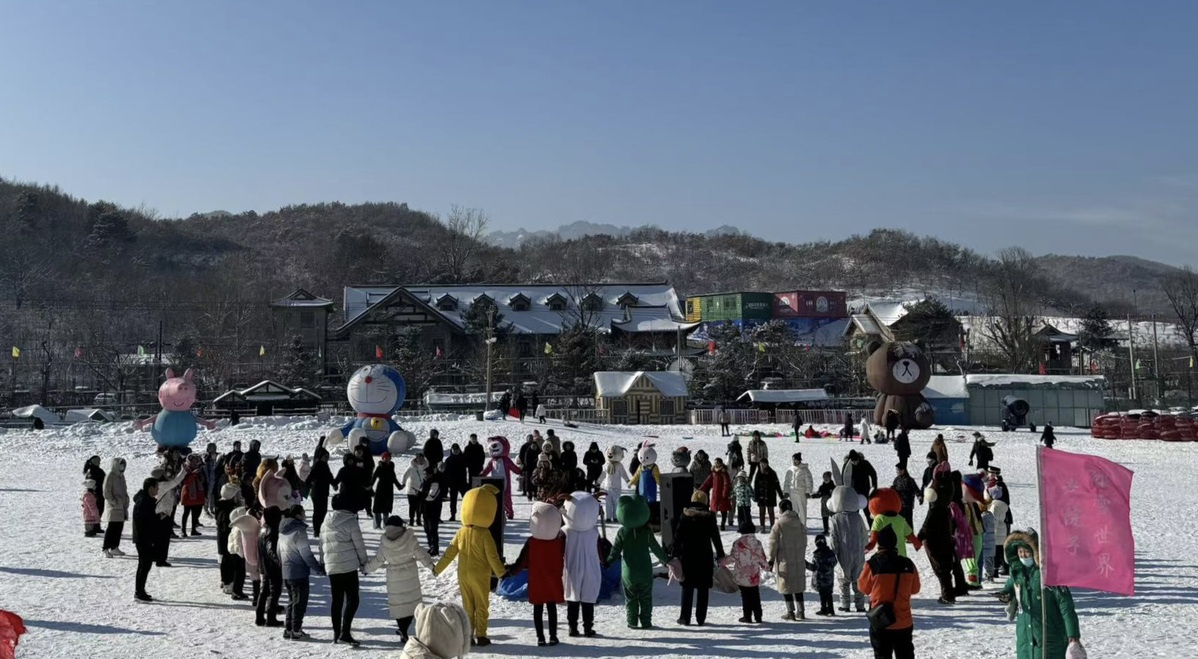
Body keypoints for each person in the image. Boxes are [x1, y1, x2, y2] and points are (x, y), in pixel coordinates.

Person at [434, 485, 507, 647]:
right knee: (481, 605)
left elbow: (449, 553)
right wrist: (501, 573)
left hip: (463, 574)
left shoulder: (461, 532)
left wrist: (437, 569)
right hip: (480, 575)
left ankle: (468, 636)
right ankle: (481, 635)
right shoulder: (484, 534)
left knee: (468, 606)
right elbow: (492, 556)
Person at [999, 531, 1081, 659]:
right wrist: (1005, 595)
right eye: (1020, 552)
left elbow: (1066, 607)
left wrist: (1073, 635)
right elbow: (1009, 587)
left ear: (1035, 551)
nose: (1023, 556)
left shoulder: (1049, 573)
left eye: (1026, 552)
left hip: (1049, 636)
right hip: (1025, 636)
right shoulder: (1017, 572)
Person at [365, 515, 435, 643]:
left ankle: (402, 628)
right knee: (411, 604)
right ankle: (405, 628)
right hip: (410, 575)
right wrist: (431, 566)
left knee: (399, 605)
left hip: (394, 576)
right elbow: (421, 554)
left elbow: (378, 560)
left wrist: (366, 569)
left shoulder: (384, 541)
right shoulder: (409, 538)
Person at [506, 502, 566, 646]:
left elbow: (522, 562)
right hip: (553, 578)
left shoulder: (531, 542)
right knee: (552, 607)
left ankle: (540, 637)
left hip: (537, 579)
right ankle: (553, 636)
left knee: (537, 608)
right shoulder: (558, 542)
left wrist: (509, 572)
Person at [858, 527, 920, 659]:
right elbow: (915, 589)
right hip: (903, 621)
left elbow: (863, 588)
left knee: (882, 655)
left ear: (879, 544)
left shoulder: (873, 565)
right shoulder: (908, 564)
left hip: (881, 621)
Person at [321, 494, 369, 646]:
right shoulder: (350, 521)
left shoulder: (325, 522)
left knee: (337, 600)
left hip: (332, 565)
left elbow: (321, 544)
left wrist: (324, 562)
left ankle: (336, 633)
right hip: (348, 566)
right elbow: (359, 544)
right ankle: (345, 632)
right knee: (353, 599)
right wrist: (364, 563)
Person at [671, 491, 724, 626]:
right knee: (703, 589)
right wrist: (720, 555)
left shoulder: (685, 516)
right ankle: (701, 618)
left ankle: (684, 617)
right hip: (704, 557)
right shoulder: (709, 517)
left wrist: (675, 555)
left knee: (687, 587)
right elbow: (716, 539)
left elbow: (677, 538)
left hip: (688, 556)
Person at [279, 505, 324, 640]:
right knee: (299, 602)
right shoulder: (299, 531)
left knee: (291, 601)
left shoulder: (282, 530)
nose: (305, 515)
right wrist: (319, 569)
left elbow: (278, 551)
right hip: (298, 571)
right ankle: (296, 630)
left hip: (286, 571)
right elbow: (306, 555)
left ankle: (289, 629)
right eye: (303, 513)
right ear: (298, 515)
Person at [918, 479, 957, 605]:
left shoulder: (934, 511)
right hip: (945, 542)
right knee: (945, 570)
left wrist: (917, 539)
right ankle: (948, 594)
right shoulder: (946, 509)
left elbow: (926, 527)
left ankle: (947, 595)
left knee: (941, 571)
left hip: (935, 543)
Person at [768, 498, 808, 620]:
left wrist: (771, 559)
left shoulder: (779, 524)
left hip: (784, 559)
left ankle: (790, 612)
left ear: (781, 509)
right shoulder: (799, 523)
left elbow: (773, 543)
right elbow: (804, 541)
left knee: (787, 585)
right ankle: (801, 612)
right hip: (798, 558)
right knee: (798, 585)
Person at [726, 521, 769, 624]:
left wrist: (722, 562)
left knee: (745, 596)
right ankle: (758, 616)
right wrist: (766, 567)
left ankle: (747, 616)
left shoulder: (737, 543)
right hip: (754, 574)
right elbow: (762, 558)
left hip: (742, 574)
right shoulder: (757, 543)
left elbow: (733, 558)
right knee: (755, 594)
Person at [132, 478, 161, 602]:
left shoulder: (147, 501)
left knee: (145, 565)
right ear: (150, 488)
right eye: (156, 487)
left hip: (145, 538)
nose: (158, 490)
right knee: (144, 565)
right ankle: (139, 591)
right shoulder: (144, 502)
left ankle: (140, 590)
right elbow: (143, 523)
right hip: (143, 539)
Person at [256, 506, 285, 628]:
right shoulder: (272, 530)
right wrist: (279, 562)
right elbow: (271, 550)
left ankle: (259, 617)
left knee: (264, 591)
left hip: (264, 565)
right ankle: (271, 618)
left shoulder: (263, 529)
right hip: (272, 567)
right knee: (274, 592)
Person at [214, 482, 243, 597]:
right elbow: (226, 525)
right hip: (226, 537)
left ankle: (225, 580)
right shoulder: (226, 508)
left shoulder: (223, 505)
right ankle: (228, 582)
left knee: (225, 559)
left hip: (224, 537)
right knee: (228, 560)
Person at [229, 506, 261, 604]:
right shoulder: (242, 527)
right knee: (240, 574)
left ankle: (238, 591)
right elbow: (237, 541)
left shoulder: (244, 525)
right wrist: (242, 554)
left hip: (238, 552)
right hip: (239, 553)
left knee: (246, 574)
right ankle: (236, 592)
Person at [101, 458, 129, 557]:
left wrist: (126, 500)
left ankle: (114, 547)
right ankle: (105, 548)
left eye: (123, 465)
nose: (122, 467)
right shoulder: (110, 476)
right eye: (120, 465)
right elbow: (106, 492)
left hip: (122, 506)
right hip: (113, 507)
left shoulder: (121, 476)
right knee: (111, 528)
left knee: (119, 528)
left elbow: (124, 490)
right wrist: (114, 502)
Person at [843, 451, 878, 525]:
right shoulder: (847, 466)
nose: (855, 463)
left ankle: (873, 530)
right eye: (853, 461)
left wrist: (874, 486)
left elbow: (873, 474)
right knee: (853, 514)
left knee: (868, 512)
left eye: (856, 461)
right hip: (853, 493)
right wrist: (845, 491)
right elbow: (843, 478)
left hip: (865, 491)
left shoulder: (865, 464)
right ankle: (854, 530)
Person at [808, 534, 839, 616]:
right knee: (829, 594)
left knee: (822, 595)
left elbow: (814, 567)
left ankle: (824, 609)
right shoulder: (830, 553)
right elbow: (835, 562)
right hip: (829, 579)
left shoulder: (817, 555)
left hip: (820, 580)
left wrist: (805, 564)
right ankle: (831, 609)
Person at [699, 457, 732, 531]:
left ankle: (723, 524)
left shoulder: (724, 473)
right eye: (715, 462)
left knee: (723, 510)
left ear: (721, 463)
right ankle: (714, 524)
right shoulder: (713, 473)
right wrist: (701, 489)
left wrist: (725, 493)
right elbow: (707, 482)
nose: (716, 464)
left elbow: (726, 484)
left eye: (717, 462)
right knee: (714, 510)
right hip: (715, 495)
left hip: (722, 495)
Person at [371, 452, 403, 530]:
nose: (386, 459)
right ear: (382, 458)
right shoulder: (380, 467)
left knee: (386, 508)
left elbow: (393, 478)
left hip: (389, 489)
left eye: (388, 457)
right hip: (380, 489)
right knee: (377, 508)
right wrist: (370, 486)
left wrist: (399, 486)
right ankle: (377, 525)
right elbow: (374, 477)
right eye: (384, 457)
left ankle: (386, 525)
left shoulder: (391, 467)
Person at [307, 451, 333, 536]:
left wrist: (334, 484)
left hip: (324, 492)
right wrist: (308, 485)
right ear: (321, 456)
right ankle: (316, 530)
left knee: (323, 511)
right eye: (325, 456)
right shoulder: (317, 465)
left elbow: (329, 476)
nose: (326, 458)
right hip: (317, 492)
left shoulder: (325, 465)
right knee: (317, 511)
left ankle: (321, 528)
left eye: (327, 456)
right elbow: (310, 477)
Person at [421, 463, 445, 556]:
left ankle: (435, 548)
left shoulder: (435, 483)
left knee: (433, 529)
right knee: (427, 529)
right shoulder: (424, 482)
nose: (425, 476)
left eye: (427, 474)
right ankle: (430, 546)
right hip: (425, 509)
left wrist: (420, 495)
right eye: (424, 474)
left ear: (431, 474)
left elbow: (431, 496)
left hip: (434, 509)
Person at [753, 459, 784, 530]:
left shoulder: (772, 473)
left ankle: (772, 526)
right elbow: (756, 486)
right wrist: (756, 496)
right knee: (762, 512)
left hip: (770, 495)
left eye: (764, 464)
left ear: (767, 464)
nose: (762, 466)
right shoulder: (758, 473)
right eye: (761, 464)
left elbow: (777, 485)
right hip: (761, 495)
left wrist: (781, 496)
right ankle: (762, 526)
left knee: (771, 511)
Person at [783, 452, 813, 523]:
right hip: (792, 492)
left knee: (802, 510)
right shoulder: (790, 470)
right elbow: (787, 482)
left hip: (801, 493)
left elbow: (809, 481)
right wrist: (786, 491)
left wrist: (808, 492)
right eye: (793, 460)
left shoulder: (804, 470)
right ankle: (795, 525)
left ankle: (803, 526)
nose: (794, 461)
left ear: (799, 460)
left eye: (796, 460)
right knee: (793, 510)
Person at [180, 457, 206, 537]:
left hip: (197, 493)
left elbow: (202, 480)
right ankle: (183, 530)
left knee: (195, 513)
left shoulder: (198, 469)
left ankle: (193, 529)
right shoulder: (185, 469)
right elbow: (185, 481)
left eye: (196, 461)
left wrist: (200, 475)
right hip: (188, 493)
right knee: (186, 512)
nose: (195, 463)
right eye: (193, 461)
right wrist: (194, 474)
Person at [443, 444, 469, 521]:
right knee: (453, 500)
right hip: (453, 483)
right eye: (454, 450)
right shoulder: (448, 460)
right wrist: (447, 484)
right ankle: (453, 514)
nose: (455, 451)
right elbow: (446, 473)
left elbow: (468, 465)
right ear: (452, 450)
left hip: (462, 482)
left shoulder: (463, 458)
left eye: (457, 450)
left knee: (466, 499)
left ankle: (467, 513)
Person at [403, 455, 429, 527]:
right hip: (411, 489)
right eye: (418, 458)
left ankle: (418, 520)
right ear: (416, 459)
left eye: (422, 458)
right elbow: (405, 475)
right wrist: (403, 483)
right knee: (412, 506)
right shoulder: (411, 467)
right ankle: (411, 520)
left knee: (419, 506)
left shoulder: (426, 467)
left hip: (421, 490)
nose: (420, 460)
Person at [892, 465, 919, 530]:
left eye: (898, 470)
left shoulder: (910, 480)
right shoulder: (896, 479)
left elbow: (916, 489)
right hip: (899, 505)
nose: (897, 472)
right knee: (898, 521)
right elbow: (893, 489)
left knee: (908, 522)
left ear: (903, 470)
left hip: (907, 504)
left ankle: (911, 538)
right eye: (896, 470)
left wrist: (919, 496)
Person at [518, 435, 541, 500]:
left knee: (535, 480)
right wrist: (523, 463)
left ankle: (535, 493)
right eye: (529, 438)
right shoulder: (525, 446)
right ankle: (526, 491)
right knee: (527, 480)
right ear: (527, 439)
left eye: (531, 438)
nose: (530, 439)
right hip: (527, 467)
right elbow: (521, 455)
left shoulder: (537, 447)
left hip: (536, 468)